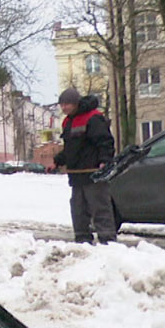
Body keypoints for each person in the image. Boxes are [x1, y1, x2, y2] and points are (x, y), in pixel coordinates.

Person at [52, 88, 117, 244]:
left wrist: (105, 160)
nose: (64, 108)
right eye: (62, 105)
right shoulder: (68, 121)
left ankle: (108, 240)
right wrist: (58, 160)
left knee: (100, 208)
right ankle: (82, 239)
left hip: (93, 172)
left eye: (67, 104)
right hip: (76, 174)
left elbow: (105, 141)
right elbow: (70, 148)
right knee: (78, 210)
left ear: (75, 103)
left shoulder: (93, 118)